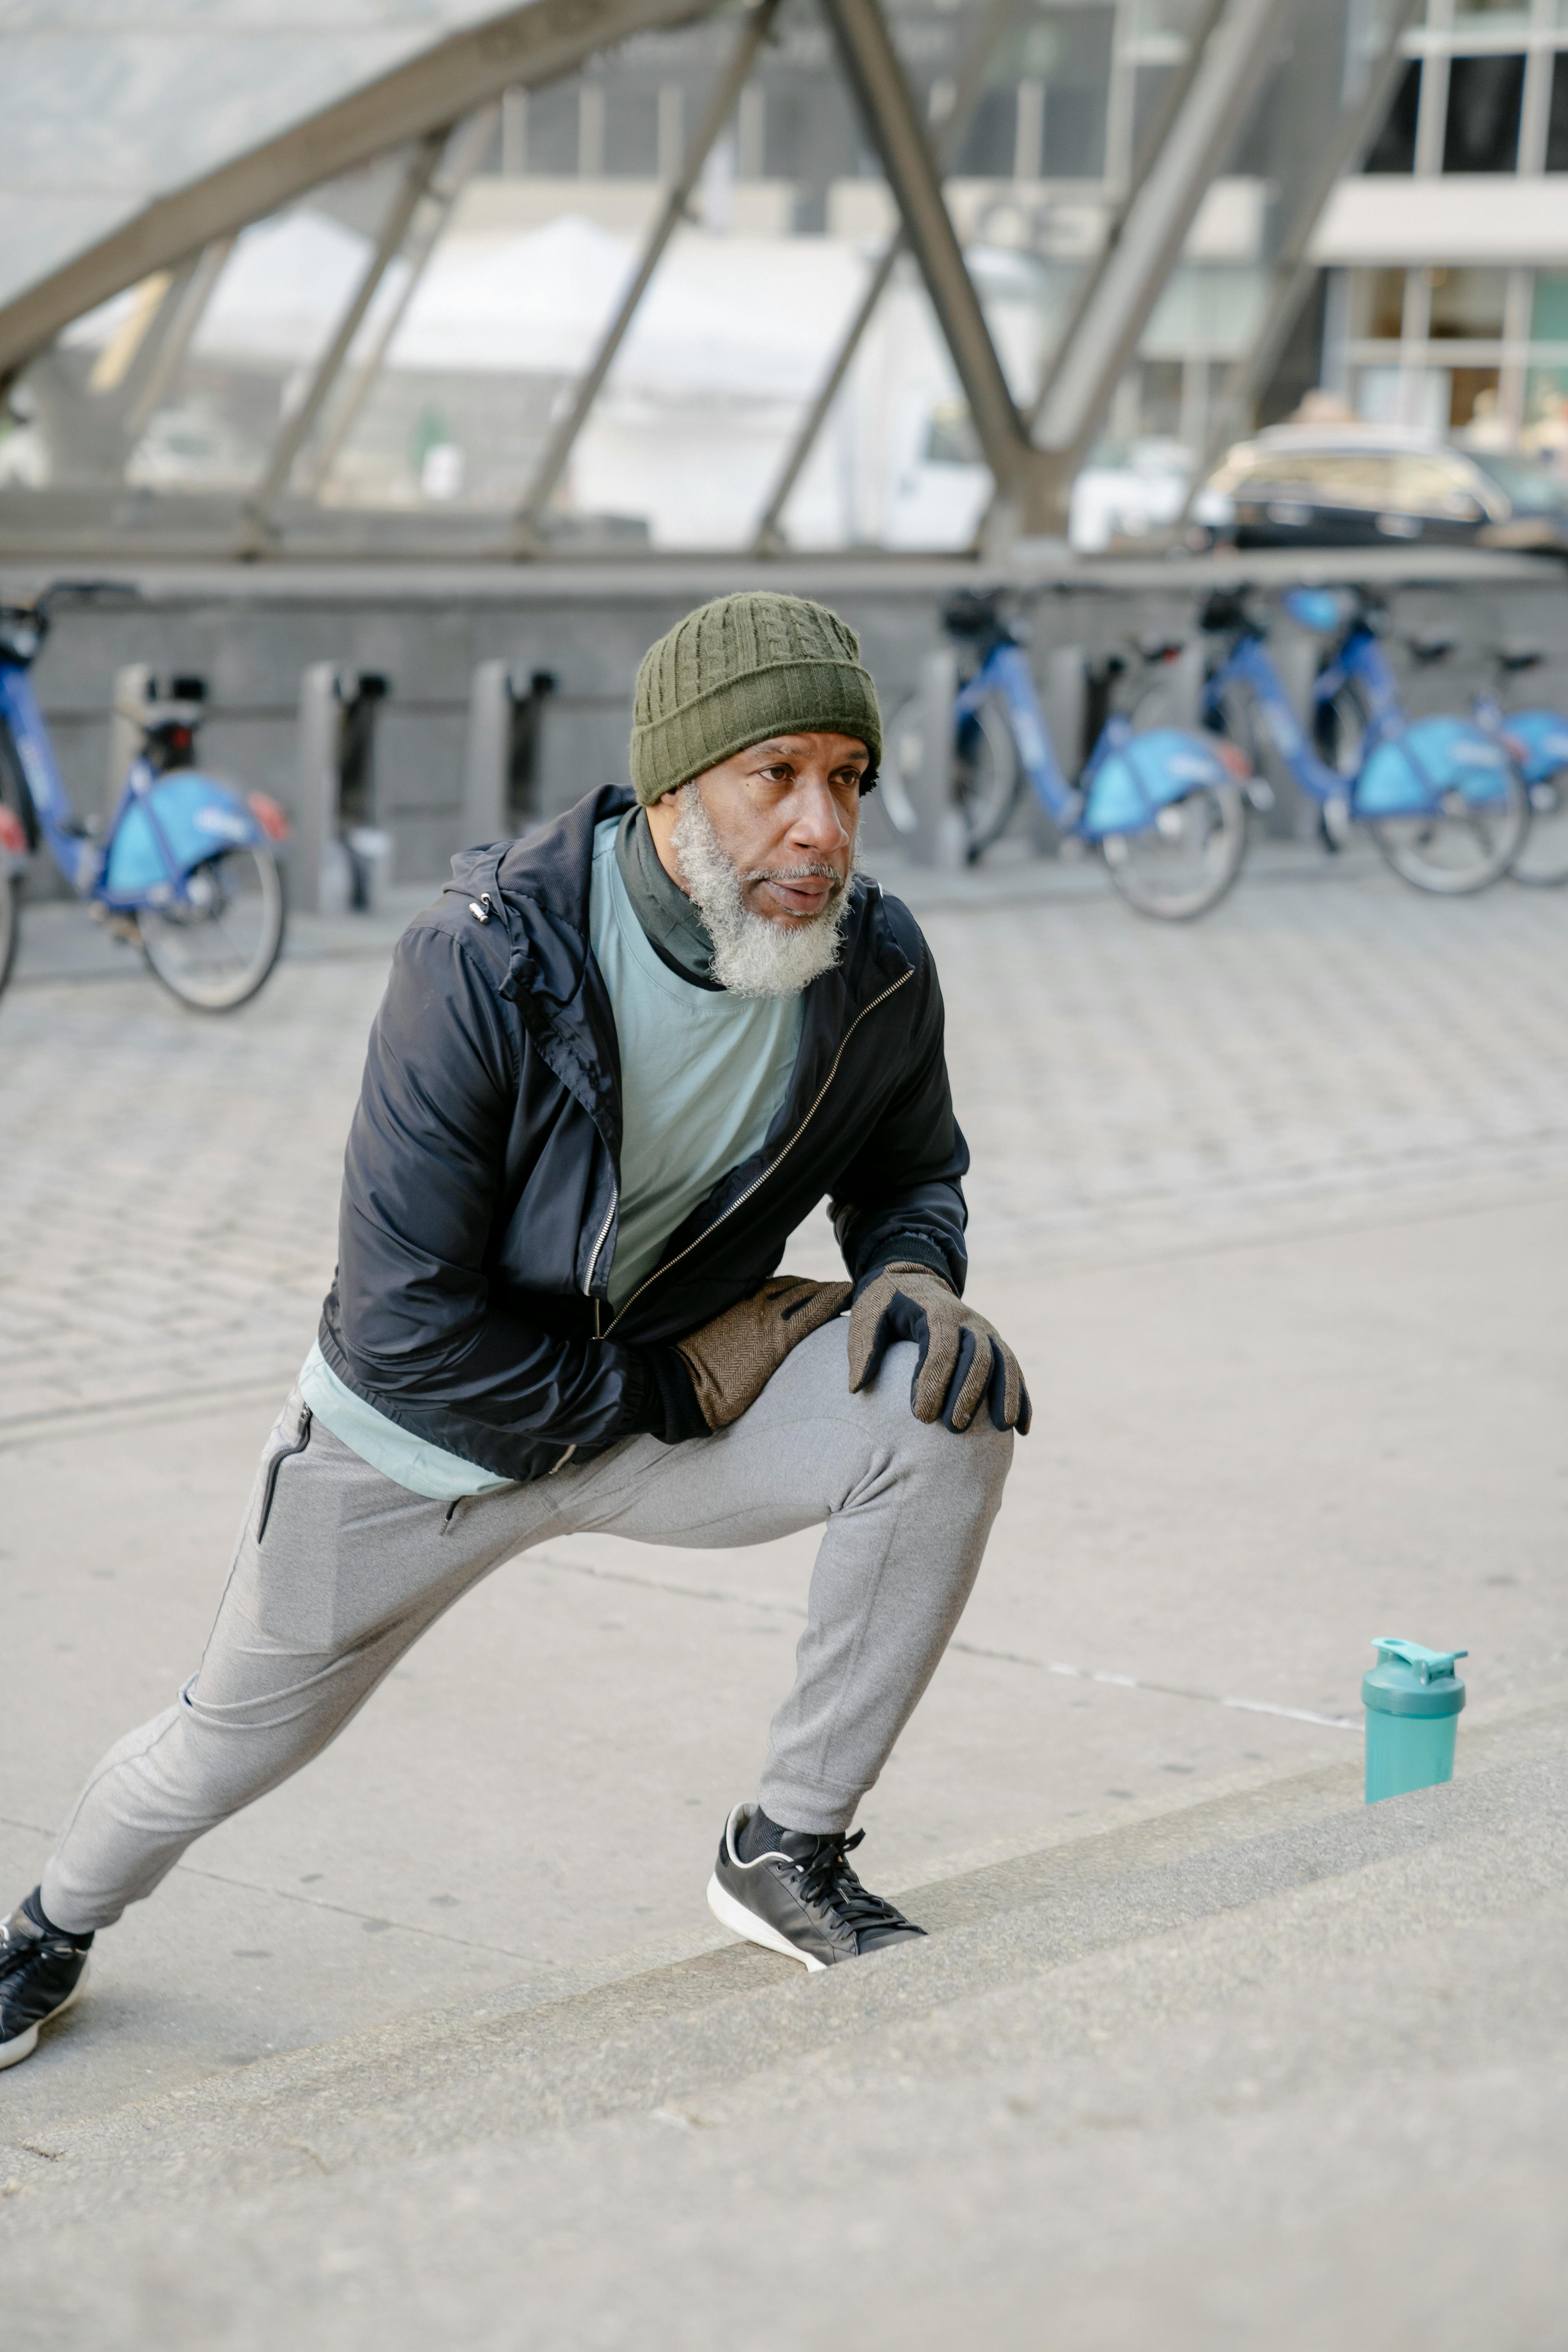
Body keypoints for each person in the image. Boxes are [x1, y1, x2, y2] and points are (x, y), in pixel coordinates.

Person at [0, 591, 1028, 2069]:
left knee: (946, 1404)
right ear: (677, 786)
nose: (824, 829)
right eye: (778, 776)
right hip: (421, 1448)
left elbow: (908, 1168)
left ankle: (785, 1848)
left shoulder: (872, 965)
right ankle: (47, 1927)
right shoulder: (484, 957)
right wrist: (675, 1385)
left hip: (664, 1407)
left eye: (848, 782)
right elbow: (410, 1331)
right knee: (223, 1746)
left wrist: (915, 1276)